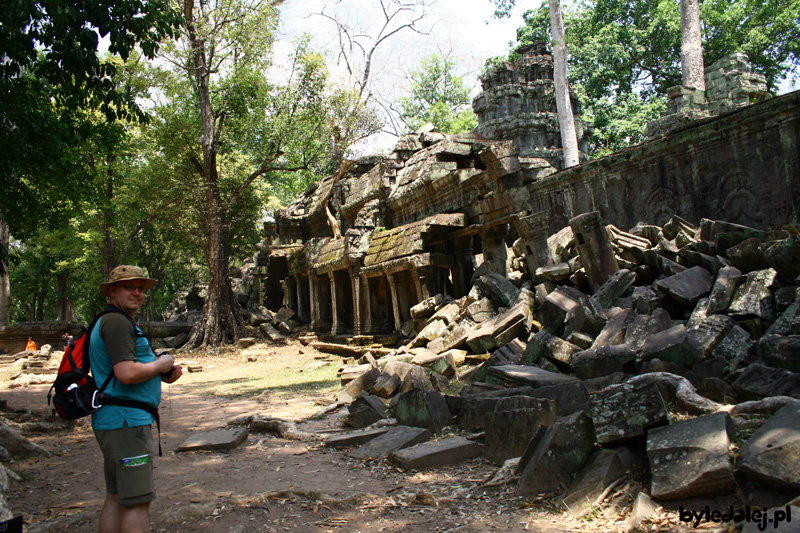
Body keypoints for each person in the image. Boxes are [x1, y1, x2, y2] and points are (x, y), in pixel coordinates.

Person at [90, 265, 183, 533]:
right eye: (129, 287)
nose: (137, 292)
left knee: (117, 497)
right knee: (137, 502)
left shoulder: (113, 320)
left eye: (141, 288)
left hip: (116, 420)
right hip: (126, 423)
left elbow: (125, 368)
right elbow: (126, 373)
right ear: (112, 291)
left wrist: (160, 372)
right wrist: (161, 363)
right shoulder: (117, 322)